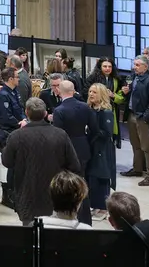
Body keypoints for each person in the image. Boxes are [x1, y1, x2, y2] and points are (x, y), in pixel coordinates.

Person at [2, 98, 80, 226]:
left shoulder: (16, 136)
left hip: (27, 195)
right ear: (45, 113)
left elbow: (7, 162)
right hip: (55, 195)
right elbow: (74, 165)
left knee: (29, 232)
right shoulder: (61, 135)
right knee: (54, 232)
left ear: (26, 112)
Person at [51, 80, 97, 223]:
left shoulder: (59, 110)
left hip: (66, 151)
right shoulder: (85, 107)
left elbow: (58, 135)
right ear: (73, 90)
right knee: (82, 183)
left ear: (59, 91)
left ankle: (67, 216)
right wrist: (86, 142)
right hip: (83, 148)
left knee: (66, 184)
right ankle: (86, 220)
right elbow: (95, 129)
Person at [120, 55, 149, 186]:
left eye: (138, 65)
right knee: (135, 144)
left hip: (143, 117)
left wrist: (145, 117)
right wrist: (125, 92)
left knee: (146, 147)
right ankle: (137, 168)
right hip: (132, 114)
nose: (135, 67)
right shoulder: (134, 78)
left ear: (146, 67)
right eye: (134, 64)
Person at [86, 83, 117, 221]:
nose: (91, 94)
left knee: (102, 176)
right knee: (92, 177)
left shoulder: (106, 112)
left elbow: (107, 133)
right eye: (90, 91)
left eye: (95, 92)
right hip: (91, 147)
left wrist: (92, 130)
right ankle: (95, 205)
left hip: (102, 149)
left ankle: (104, 208)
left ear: (102, 95)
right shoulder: (89, 109)